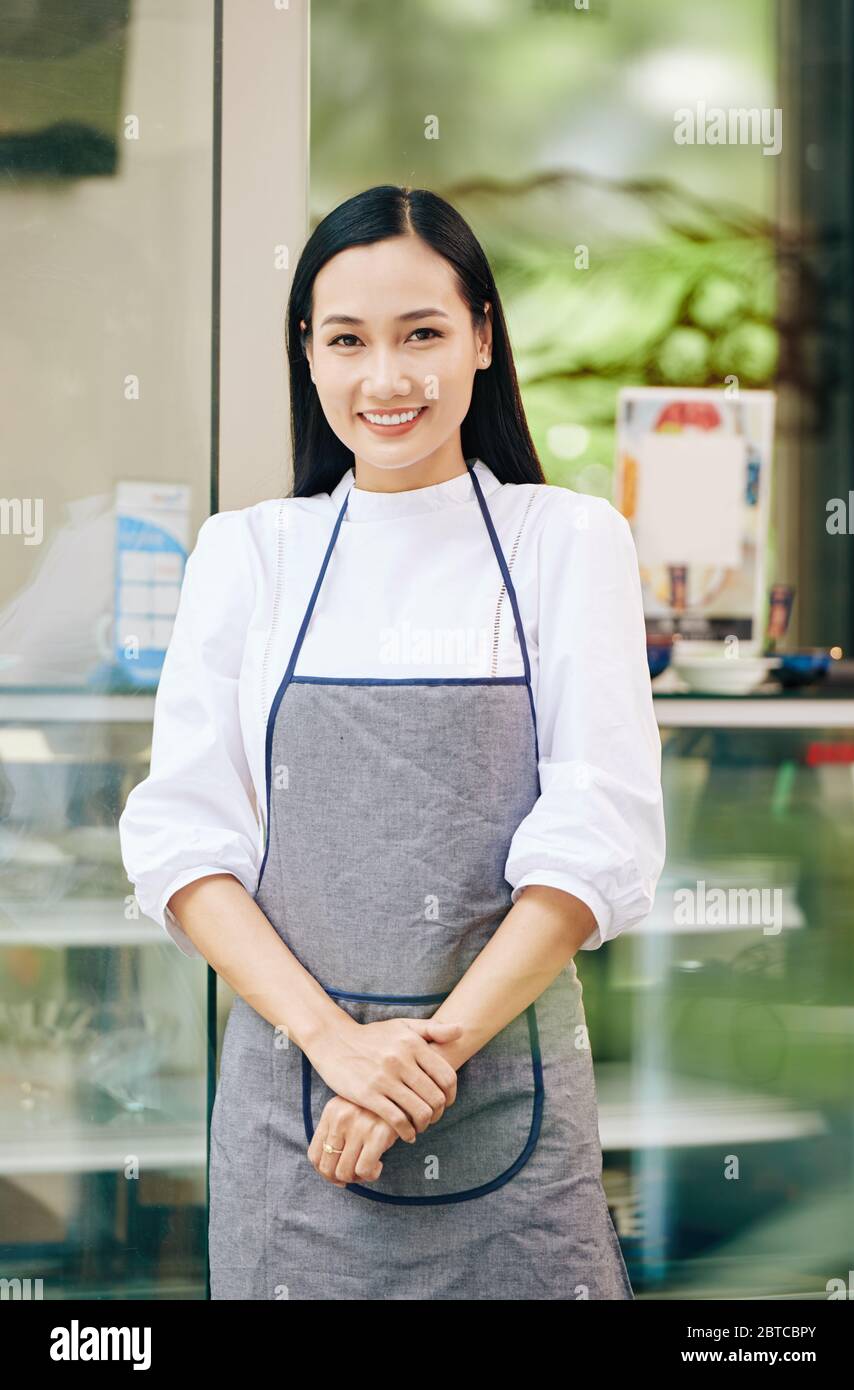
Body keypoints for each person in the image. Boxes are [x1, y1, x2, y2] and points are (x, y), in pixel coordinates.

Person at [118, 184, 666, 1301]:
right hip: (292, 1108)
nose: (386, 378)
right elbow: (183, 842)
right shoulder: (250, 553)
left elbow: (594, 837)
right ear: (307, 357)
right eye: (347, 340)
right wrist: (335, 1046)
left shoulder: (564, 541)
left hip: (506, 1095)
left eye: (421, 333)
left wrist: (412, 1067)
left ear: (480, 335)